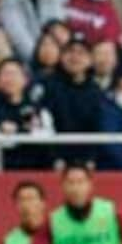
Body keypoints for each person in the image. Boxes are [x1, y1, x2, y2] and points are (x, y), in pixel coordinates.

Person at [0, 58, 56, 170]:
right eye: (6, 74)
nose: (10, 79)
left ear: (25, 79)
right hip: (5, 170)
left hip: (38, 167)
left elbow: (48, 136)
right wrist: (28, 132)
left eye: (15, 74)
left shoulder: (39, 107)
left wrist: (17, 130)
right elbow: (0, 142)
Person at [42, 38, 103, 169]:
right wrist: (55, 157)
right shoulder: (49, 86)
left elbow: (98, 126)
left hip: (87, 161)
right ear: (61, 57)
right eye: (70, 51)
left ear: (90, 60)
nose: (75, 57)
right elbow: (44, 122)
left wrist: (91, 158)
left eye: (81, 53)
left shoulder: (96, 91)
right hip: (52, 161)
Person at [1, 0, 66, 62]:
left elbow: (57, 25)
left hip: (55, 57)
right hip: (27, 59)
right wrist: (38, 58)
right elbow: (18, 35)